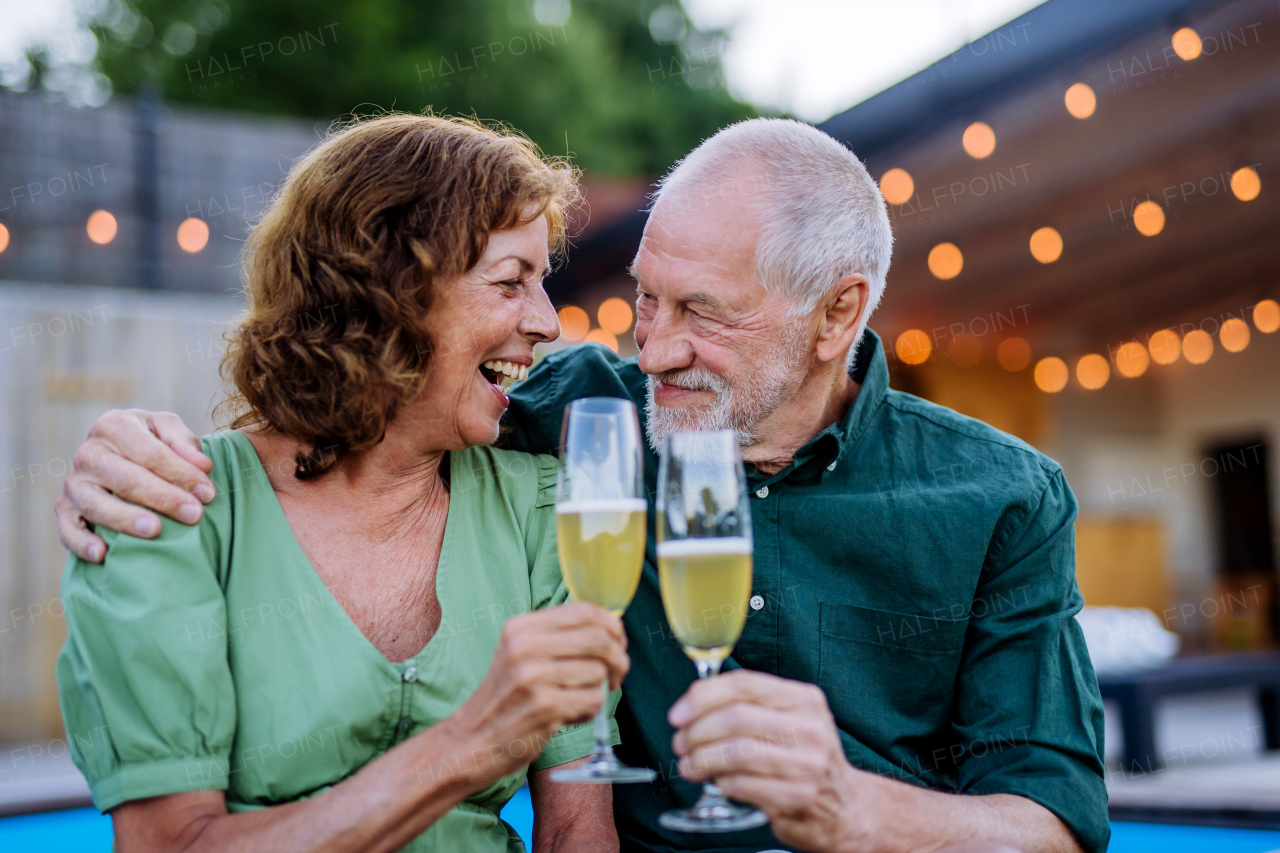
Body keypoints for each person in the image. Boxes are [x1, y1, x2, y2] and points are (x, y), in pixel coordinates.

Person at [57, 118, 1108, 853]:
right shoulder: (577, 422)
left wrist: (852, 811)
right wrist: (132, 449)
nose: (648, 350)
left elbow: (1052, 825)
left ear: (835, 316)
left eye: (699, 314)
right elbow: (364, 400)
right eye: (642, 300)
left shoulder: (999, 497)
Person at [54, 114, 634, 853]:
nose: (548, 322)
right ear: (389, 293)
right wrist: (469, 741)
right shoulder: (167, 513)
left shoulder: (542, 509)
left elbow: (578, 831)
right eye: (510, 282)